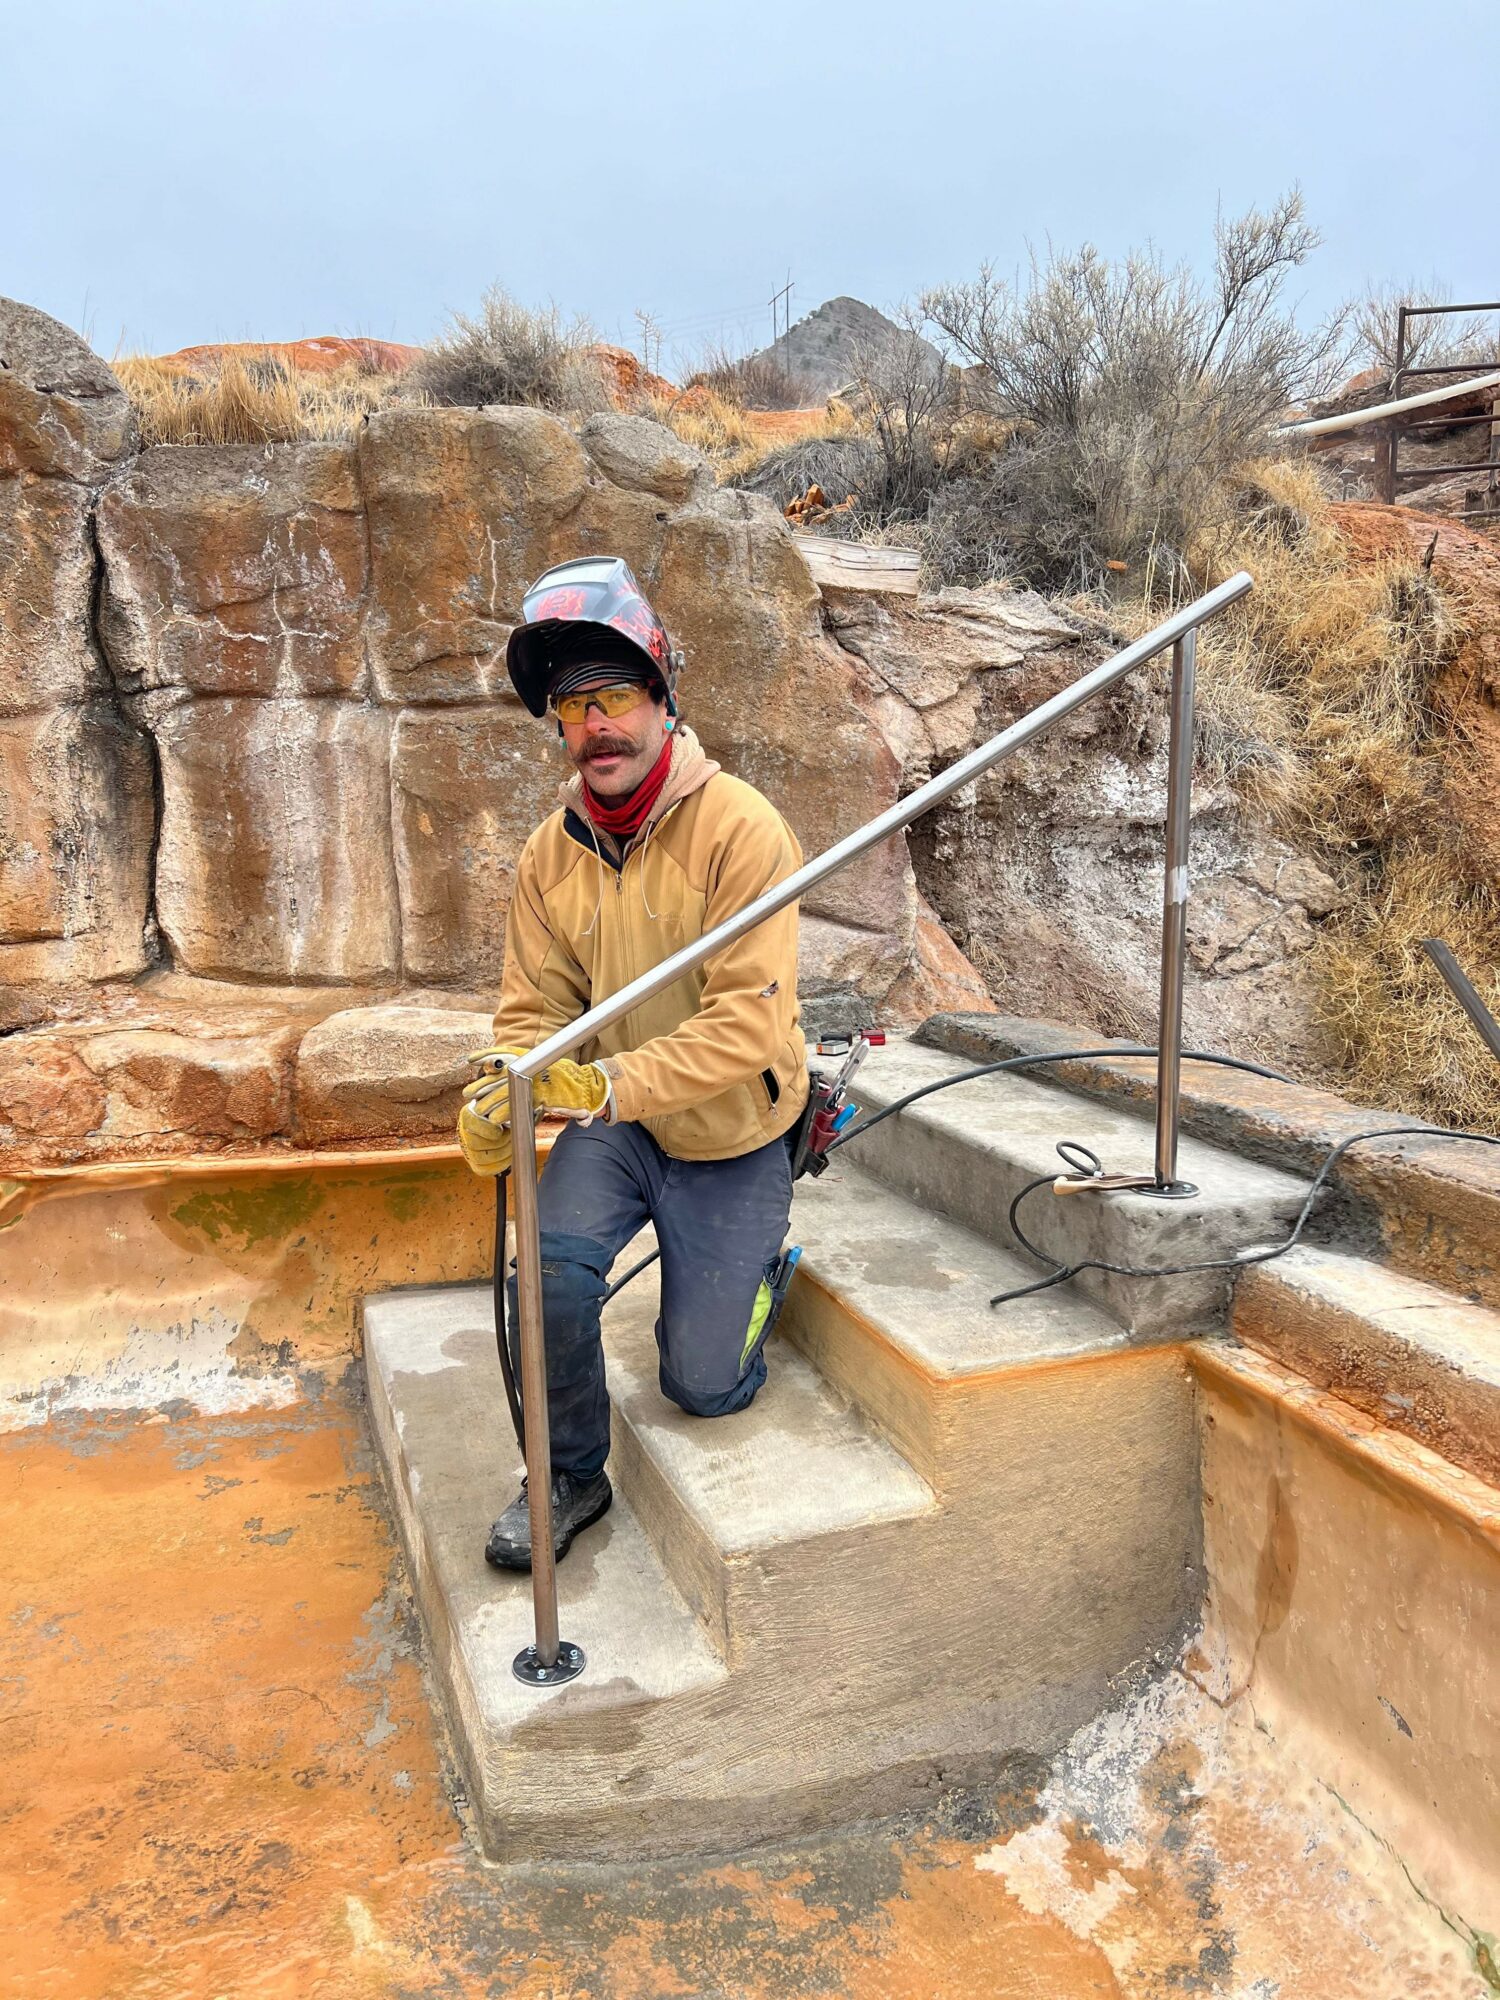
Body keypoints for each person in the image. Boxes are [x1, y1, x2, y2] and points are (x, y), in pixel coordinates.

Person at [458, 556, 809, 1571]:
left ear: (662, 698)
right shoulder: (550, 853)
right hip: (622, 1131)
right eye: (572, 708)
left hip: (736, 1128)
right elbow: (535, 1010)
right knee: (547, 1279)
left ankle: (757, 1285)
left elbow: (747, 1026)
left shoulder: (742, 828)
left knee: (702, 1388)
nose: (594, 726)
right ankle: (570, 1473)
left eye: (613, 696)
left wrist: (608, 1083)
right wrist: (507, 1083)